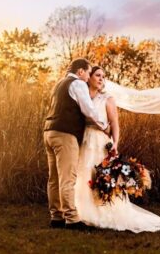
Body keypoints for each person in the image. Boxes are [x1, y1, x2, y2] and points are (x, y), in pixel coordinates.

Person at [75, 66, 160, 233]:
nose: (101, 79)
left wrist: (115, 143)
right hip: (84, 139)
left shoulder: (107, 98)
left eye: (103, 76)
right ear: (90, 77)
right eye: (97, 75)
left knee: (100, 174)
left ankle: (103, 212)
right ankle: (82, 212)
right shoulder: (82, 95)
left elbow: (114, 123)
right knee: (83, 174)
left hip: (101, 140)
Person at [43, 58, 109, 230]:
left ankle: (56, 217)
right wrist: (104, 125)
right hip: (65, 134)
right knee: (68, 178)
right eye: (88, 73)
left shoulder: (59, 84)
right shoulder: (78, 83)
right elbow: (88, 109)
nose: (88, 78)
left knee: (54, 178)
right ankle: (72, 219)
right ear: (80, 72)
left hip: (49, 132)